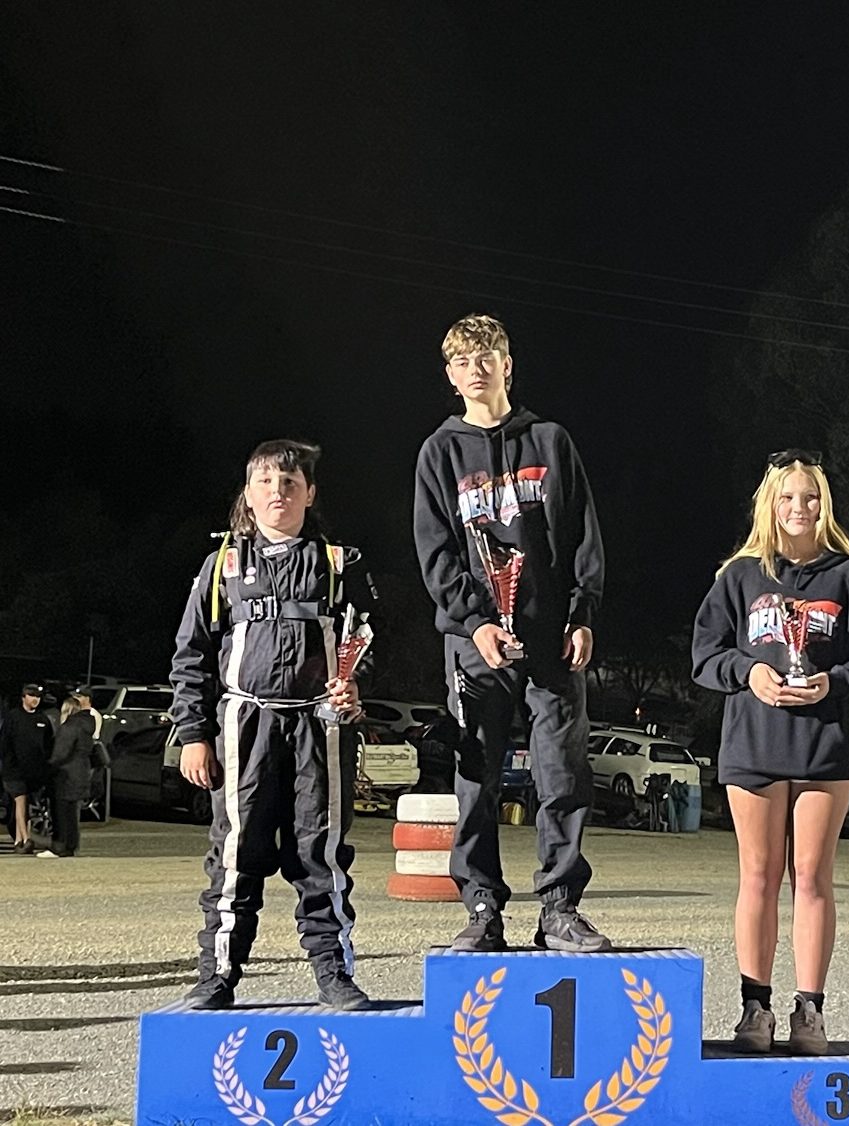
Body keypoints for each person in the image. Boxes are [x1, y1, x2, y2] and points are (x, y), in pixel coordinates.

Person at [691, 450, 849, 1055]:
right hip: (753, 743)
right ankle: (755, 1010)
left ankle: (810, 1011)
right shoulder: (740, 576)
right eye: (788, 498)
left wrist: (835, 682)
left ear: (823, 505)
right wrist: (749, 673)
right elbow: (704, 655)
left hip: (823, 747)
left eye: (809, 498)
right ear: (770, 505)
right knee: (757, 877)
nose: (799, 508)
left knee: (812, 878)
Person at [414, 313, 609, 953]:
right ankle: (481, 908)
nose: (477, 368)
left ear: (507, 364)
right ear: (450, 375)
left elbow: (582, 533)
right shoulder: (439, 453)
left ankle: (558, 907)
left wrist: (582, 613)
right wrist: (475, 625)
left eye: (487, 356)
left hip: (551, 641)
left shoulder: (550, 442)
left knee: (562, 775)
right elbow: (436, 553)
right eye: (464, 360)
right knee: (478, 777)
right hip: (476, 650)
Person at [170, 439, 378, 1010]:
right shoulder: (222, 568)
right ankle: (218, 977)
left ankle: (334, 974)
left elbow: (368, 643)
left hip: (321, 728)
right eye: (265, 482)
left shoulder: (341, 565)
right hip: (244, 727)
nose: (277, 493)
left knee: (322, 853)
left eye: (290, 483)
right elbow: (190, 656)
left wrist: (356, 685)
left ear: (310, 494)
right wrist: (192, 734)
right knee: (237, 854)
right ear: (248, 493)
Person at [39, 693, 94, 858]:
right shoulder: (86, 725)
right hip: (81, 772)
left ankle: (59, 846)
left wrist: (48, 767)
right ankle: (71, 845)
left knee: (61, 811)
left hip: (66, 774)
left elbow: (60, 753)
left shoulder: (69, 727)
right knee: (72, 813)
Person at [1, 684, 53, 853]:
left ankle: (18, 841)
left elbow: (47, 745)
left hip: (34, 772)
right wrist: (8, 765)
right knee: (20, 802)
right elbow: (4, 744)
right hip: (14, 771)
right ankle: (26, 838)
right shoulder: (13, 717)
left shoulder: (42, 719)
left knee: (24, 805)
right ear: (23, 697)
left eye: (37, 696)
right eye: (31, 696)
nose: (35, 699)